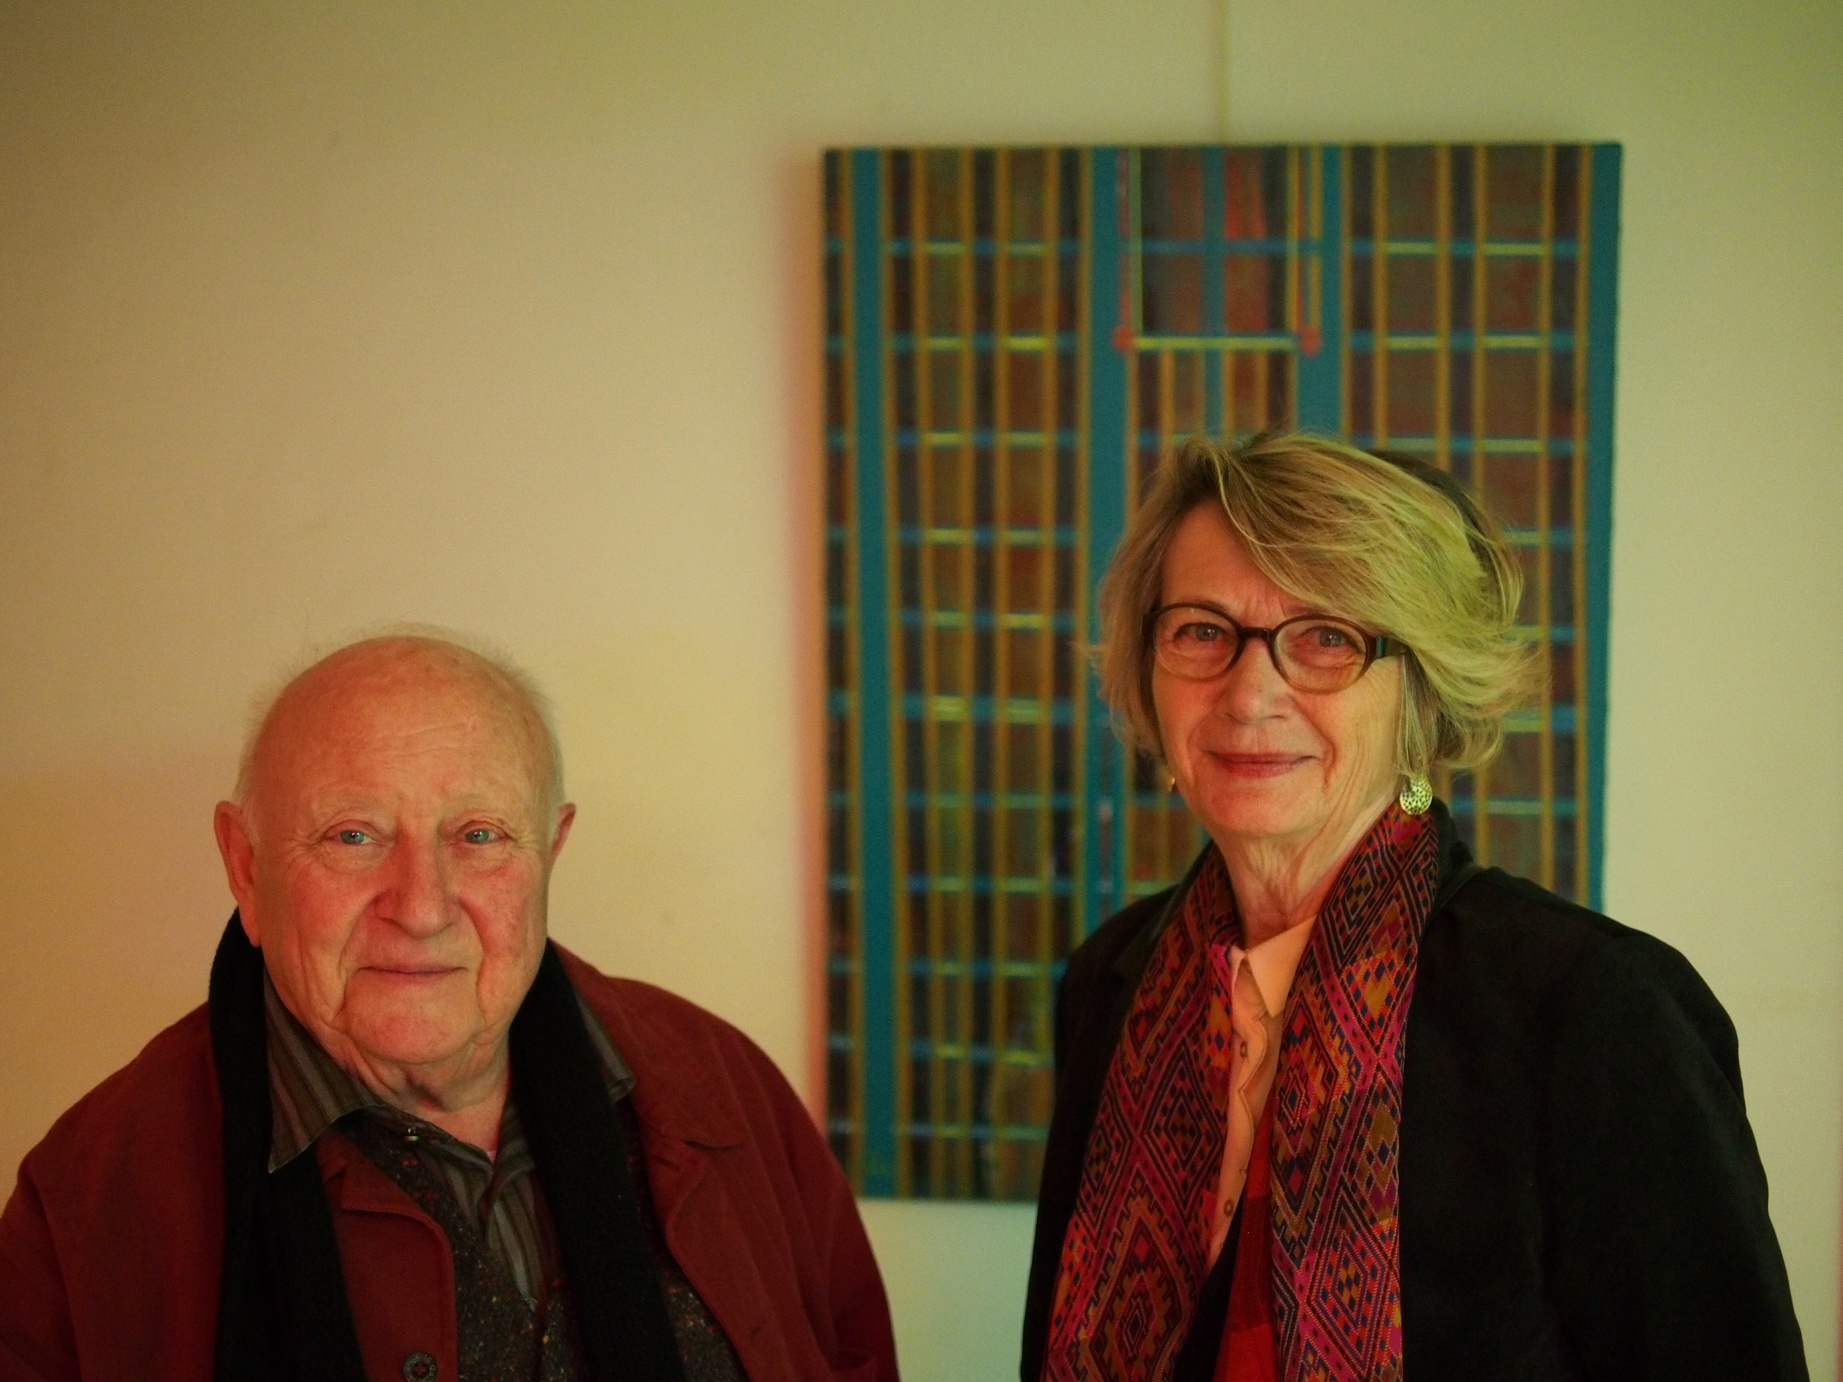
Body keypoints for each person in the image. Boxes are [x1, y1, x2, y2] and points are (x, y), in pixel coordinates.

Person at [1020, 433, 1806, 1380]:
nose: (1249, 693)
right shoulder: (1111, 979)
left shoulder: (1596, 1009)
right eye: (1200, 630)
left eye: (1327, 638)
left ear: (1420, 689)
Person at [0, 632, 897, 1382]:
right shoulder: (91, 1194)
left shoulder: (720, 1085)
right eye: (354, 835)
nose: (422, 907)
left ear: (550, 852)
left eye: (479, 835)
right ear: (245, 866)